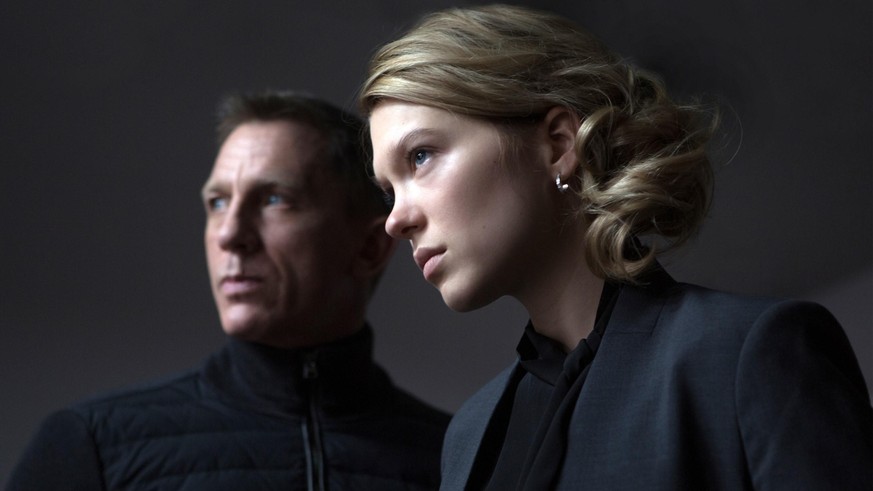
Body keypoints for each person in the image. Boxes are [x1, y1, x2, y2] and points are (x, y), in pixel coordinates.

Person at [360, 5, 872, 490]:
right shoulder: (469, 437)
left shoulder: (748, 355)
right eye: (388, 191)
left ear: (559, 144)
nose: (396, 220)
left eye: (420, 156)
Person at [7, 91, 450, 491]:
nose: (230, 234)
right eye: (217, 203)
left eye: (274, 199)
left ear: (370, 247)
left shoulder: (458, 457)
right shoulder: (92, 447)